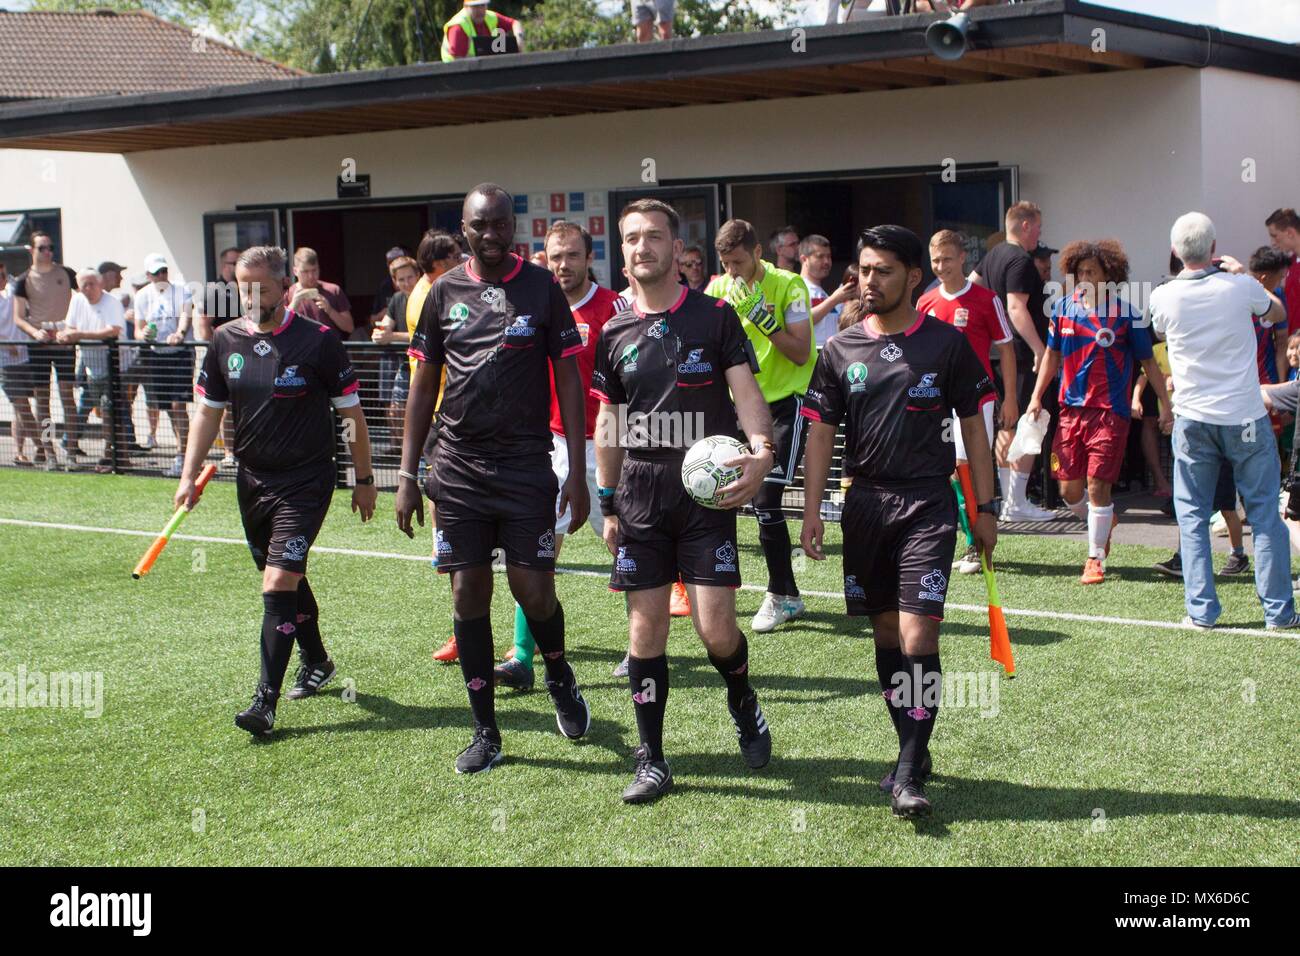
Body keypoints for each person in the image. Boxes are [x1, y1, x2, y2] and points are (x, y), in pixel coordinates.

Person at [800, 224, 998, 819]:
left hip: (928, 506)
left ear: (914, 277)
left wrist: (985, 510)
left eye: (882, 270)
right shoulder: (839, 349)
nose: (869, 280)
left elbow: (973, 430)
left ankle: (909, 769)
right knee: (886, 635)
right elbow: (819, 432)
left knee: (919, 636)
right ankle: (914, 743)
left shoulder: (946, 345)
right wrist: (812, 508)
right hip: (864, 506)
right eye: (863, 269)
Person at [396, 183, 592, 775]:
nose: (491, 234)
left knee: (534, 591)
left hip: (527, 465)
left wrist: (577, 472)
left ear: (515, 227)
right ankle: (486, 731)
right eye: (480, 225)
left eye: (501, 224)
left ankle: (558, 674)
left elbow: (568, 381)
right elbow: (424, 383)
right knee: (467, 593)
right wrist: (408, 472)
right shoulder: (442, 291)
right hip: (457, 469)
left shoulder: (541, 288)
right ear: (465, 228)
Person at [593, 198, 776, 804]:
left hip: (708, 494)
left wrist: (761, 450)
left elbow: (746, 393)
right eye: (630, 239)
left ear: (677, 248)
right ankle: (652, 759)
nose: (640, 248)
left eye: (652, 237)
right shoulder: (613, 331)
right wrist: (608, 500)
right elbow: (609, 422)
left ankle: (743, 697)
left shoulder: (716, 317)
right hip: (642, 494)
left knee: (715, 629)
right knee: (644, 633)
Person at [182, 245, 377, 734]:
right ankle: (317, 660)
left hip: (306, 482)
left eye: (260, 288)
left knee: (277, 583)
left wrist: (365, 479)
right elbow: (208, 412)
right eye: (242, 288)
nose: (250, 297)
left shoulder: (319, 341)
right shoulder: (225, 340)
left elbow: (351, 414)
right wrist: (189, 474)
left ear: (284, 288)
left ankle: (264, 703)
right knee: (285, 577)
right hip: (252, 482)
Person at [1148, 212, 1297, 630]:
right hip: (1245, 416)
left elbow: (1160, 333)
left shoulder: (1163, 296)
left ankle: (1202, 612)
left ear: (1176, 252)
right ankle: (1279, 613)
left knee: (1193, 516)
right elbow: (1278, 313)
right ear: (1214, 249)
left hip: (1193, 418)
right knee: (1265, 514)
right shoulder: (1240, 285)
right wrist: (1241, 274)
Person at [493, 220, 618, 691]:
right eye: (554, 256)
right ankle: (522, 656)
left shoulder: (613, 307)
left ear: (589, 258)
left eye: (571, 255)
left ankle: (639, 649)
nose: (563, 264)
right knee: (535, 553)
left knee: (624, 547)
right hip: (551, 448)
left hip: (606, 446)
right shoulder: (532, 304)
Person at [1026, 240, 1171, 584]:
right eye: (1080, 272)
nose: (1084, 277)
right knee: (1067, 491)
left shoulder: (1127, 314)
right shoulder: (1062, 309)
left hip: (1110, 413)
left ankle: (1094, 559)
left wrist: (1164, 403)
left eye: (1092, 271)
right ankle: (1103, 520)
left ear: (1110, 275)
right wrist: (1035, 397)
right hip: (1069, 412)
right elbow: (1051, 357)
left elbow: (1148, 362)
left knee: (1096, 486)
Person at [706, 219, 815, 633]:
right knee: (721, 494)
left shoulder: (789, 286)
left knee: (766, 496)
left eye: (737, 261)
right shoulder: (717, 290)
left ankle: (783, 595)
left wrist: (763, 320)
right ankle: (716, 585)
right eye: (725, 263)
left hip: (786, 404)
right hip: (736, 409)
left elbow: (803, 353)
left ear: (757, 254)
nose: (732, 270)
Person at [916, 230, 1016, 575]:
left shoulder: (987, 299)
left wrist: (1011, 399)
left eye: (946, 258)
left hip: (976, 397)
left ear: (962, 259)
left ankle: (976, 539)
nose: (940, 266)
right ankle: (966, 534)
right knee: (949, 472)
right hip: (937, 399)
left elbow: (1005, 347)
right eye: (935, 260)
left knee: (968, 466)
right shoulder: (926, 302)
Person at [969, 202, 1054, 521]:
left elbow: (971, 285)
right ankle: (1015, 502)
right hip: (1018, 355)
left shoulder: (993, 255)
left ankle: (1010, 502)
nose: (1040, 235)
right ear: (1025, 226)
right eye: (1039, 228)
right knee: (1030, 418)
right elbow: (1016, 308)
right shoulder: (1020, 259)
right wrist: (1039, 350)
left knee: (1009, 420)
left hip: (997, 352)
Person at [10, 231, 78, 466]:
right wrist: (34, 332)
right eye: (43, 248)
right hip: (39, 345)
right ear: (32, 250)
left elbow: (84, 299)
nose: (48, 252)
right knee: (43, 401)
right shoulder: (22, 280)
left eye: (50, 247)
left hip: (64, 342)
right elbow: (18, 318)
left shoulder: (67, 273)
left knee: (68, 396)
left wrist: (73, 329)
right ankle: (49, 452)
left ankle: (70, 449)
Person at [133, 254, 195, 478]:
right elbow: (138, 330)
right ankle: (183, 451)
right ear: (148, 275)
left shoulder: (181, 290)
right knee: (168, 406)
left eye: (164, 271)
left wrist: (179, 334)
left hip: (180, 353)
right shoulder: (142, 296)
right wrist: (145, 335)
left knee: (179, 405)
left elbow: (186, 317)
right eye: (157, 272)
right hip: (157, 356)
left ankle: (184, 455)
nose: (161, 276)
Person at [61, 268, 125, 470]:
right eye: (83, 285)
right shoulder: (77, 301)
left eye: (91, 284)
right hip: (89, 368)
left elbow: (113, 330)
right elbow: (70, 326)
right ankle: (73, 449)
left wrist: (79, 335)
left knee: (110, 412)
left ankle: (112, 456)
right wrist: (67, 335)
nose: (87, 289)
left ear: (100, 285)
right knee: (95, 410)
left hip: (114, 366)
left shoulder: (111, 302)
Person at [371, 255, 422, 458]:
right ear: (394, 281)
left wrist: (391, 336)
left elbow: (423, 334)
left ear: (418, 275)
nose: (406, 283)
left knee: (422, 410)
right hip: (404, 364)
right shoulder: (396, 299)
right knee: (396, 410)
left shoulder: (426, 295)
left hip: (425, 364)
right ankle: (407, 453)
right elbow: (385, 324)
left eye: (410, 277)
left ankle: (421, 453)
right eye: (401, 279)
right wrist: (379, 333)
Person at [197, 246, 243, 466]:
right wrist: (215, 351)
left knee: (241, 404)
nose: (237, 267)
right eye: (234, 263)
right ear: (224, 265)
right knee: (223, 406)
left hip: (245, 352)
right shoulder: (216, 290)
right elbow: (205, 324)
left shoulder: (244, 288)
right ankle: (228, 452)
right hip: (224, 354)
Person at [0, 260, 39, 465]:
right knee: (23, 407)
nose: (3, 280)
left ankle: (20, 451)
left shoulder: (11, 293)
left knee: (23, 408)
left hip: (28, 358)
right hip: (7, 364)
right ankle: (41, 447)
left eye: (4, 275)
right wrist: (6, 344)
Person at [801, 234, 856, 349]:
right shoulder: (797, 289)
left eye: (829, 256)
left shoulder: (824, 294)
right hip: (811, 360)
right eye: (820, 257)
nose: (826, 261)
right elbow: (802, 321)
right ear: (804, 259)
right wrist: (834, 299)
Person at [285, 248, 354, 338]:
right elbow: (278, 327)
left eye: (314, 270)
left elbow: (350, 328)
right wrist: (293, 304)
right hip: (302, 350)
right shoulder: (288, 293)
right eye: (305, 271)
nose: (311, 276)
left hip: (328, 349)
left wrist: (329, 310)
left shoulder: (333, 290)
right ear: (295, 271)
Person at [441, 0, 524, 61]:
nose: (480, 10)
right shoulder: (458, 27)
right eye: (475, 6)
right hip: (454, 74)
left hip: (480, 66)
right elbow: (458, 61)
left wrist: (519, 40)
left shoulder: (489, 16)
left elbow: (515, 23)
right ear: (466, 7)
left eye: (482, 5)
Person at [1264, 208, 1300, 334]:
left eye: (1275, 236)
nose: (1273, 243)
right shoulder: (1290, 262)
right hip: (1293, 344)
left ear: (1290, 232)